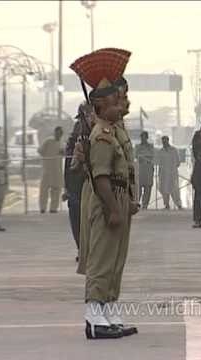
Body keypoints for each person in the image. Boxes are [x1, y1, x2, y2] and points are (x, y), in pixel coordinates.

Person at [70, 48, 137, 339]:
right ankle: (94, 316)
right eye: (116, 99)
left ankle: (108, 308)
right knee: (100, 257)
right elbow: (100, 175)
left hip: (119, 197)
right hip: (106, 198)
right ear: (100, 105)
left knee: (115, 257)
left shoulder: (113, 129)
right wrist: (112, 208)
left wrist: (128, 200)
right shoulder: (101, 135)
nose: (122, 102)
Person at [64, 104, 90, 261]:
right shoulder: (74, 135)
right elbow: (67, 163)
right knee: (76, 218)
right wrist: (66, 185)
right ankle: (82, 249)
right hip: (75, 182)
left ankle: (87, 249)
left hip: (89, 182)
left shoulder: (97, 132)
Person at [38, 126, 64, 213]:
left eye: (60, 133)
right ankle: (42, 207)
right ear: (54, 132)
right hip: (47, 169)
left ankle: (53, 208)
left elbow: (65, 153)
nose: (59, 135)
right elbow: (40, 150)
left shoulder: (62, 143)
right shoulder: (48, 141)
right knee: (44, 190)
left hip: (57, 170)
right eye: (57, 132)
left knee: (56, 189)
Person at [158, 135, 182, 210]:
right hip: (163, 174)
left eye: (165, 141)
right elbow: (159, 163)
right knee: (164, 189)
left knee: (174, 189)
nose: (164, 143)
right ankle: (166, 204)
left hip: (172, 173)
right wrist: (159, 174)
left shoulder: (174, 150)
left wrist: (172, 168)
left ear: (168, 141)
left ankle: (179, 205)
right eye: (163, 141)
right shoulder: (161, 151)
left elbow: (178, 162)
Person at [135, 131, 154, 210]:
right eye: (141, 137)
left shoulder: (150, 146)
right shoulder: (137, 146)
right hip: (140, 169)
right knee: (138, 187)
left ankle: (145, 204)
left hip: (148, 169)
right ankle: (137, 203)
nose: (143, 139)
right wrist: (144, 157)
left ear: (147, 137)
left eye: (144, 137)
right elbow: (136, 155)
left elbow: (152, 155)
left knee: (148, 187)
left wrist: (144, 157)